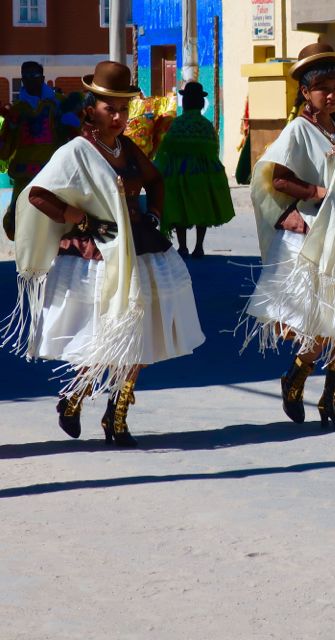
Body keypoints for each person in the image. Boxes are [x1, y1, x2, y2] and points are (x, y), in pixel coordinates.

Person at [4, 61, 205, 447]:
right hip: (97, 254)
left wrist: (156, 214)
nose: (118, 117)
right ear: (90, 111)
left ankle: (118, 415)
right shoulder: (76, 151)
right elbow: (38, 194)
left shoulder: (126, 147)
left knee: (140, 333)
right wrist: (75, 217)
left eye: (123, 109)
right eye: (109, 109)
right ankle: (75, 397)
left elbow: (155, 179)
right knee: (103, 336)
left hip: (139, 247)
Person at [241, 43, 335, 430]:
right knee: (322, 324)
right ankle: (296, 375)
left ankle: (333, 402)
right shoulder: (297, 130)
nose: (331, 94)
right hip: (321, 230)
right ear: (305, 91)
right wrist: (313, 194)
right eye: (323, 87)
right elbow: (273, 176)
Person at [154, 81, 235, 258]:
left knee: (181, 209)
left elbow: (167, 148)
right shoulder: (206, 125)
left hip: (180, 175)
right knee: (202, 209)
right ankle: (199, 247)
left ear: (186, 102)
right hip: (203, 176)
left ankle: (182, 246)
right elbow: (213, 150)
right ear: (200, 103)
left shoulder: (178, 124)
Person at [0, 61, 78, 240]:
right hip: (24, 177)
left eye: (34, 76)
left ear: (43, 78)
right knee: (20, 223)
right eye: (25, 77)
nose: (30, 80)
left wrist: (71, 122)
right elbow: (4, 150)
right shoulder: (17, 110)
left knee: (57, 222)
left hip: (54, 175)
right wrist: (10, 125)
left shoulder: (58, 105)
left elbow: (74, 137)